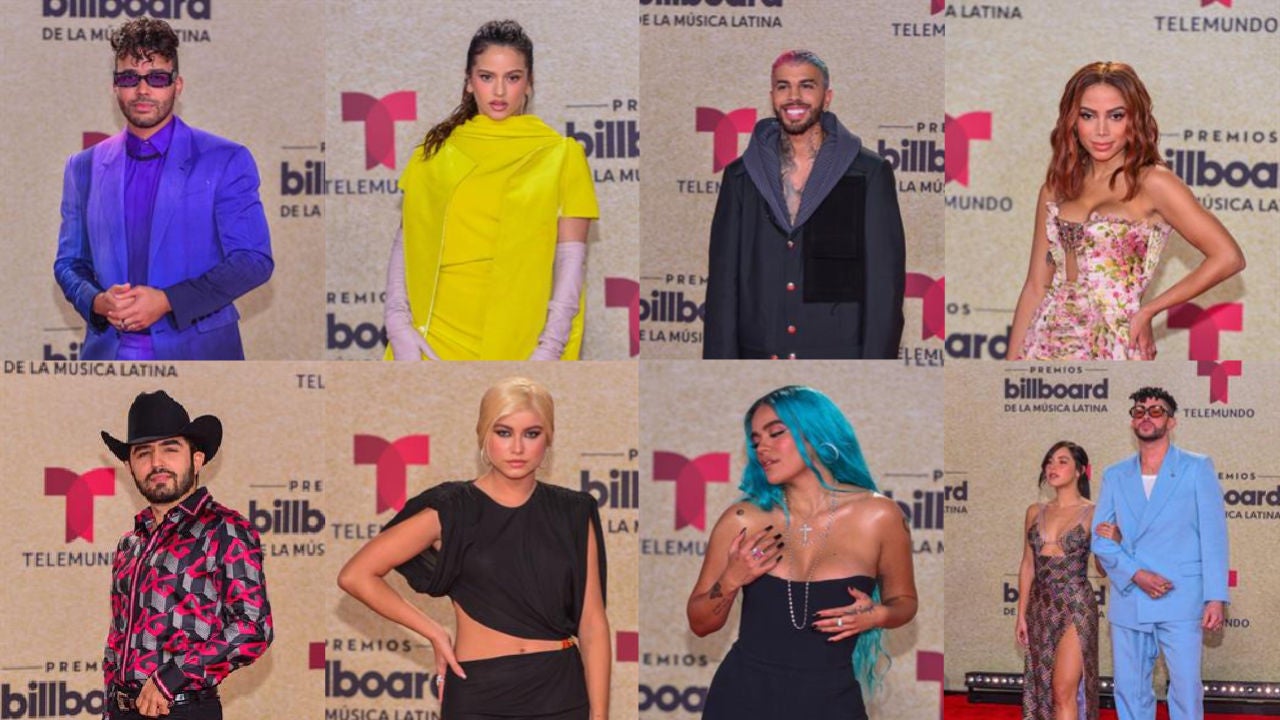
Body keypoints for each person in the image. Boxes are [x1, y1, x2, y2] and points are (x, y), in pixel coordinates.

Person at [338, 378, 610, 719]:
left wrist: (600, 715)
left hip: (560, 691)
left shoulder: (573, 511)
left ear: (549, 438)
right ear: (484, 434)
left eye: (531, 433)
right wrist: (434, 632)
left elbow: (592, 624)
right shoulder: (453, 508)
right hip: (479, 694)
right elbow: (356, 575)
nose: (517, 447)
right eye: (504, 432)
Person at [687, 386, 917, 719]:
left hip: (832, 702)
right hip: (741, 699)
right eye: (755, 440)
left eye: (776, 433)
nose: (761, 448)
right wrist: (732, 578)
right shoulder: (743, 519)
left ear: (817, 433)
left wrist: (877, 616)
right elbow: (700, 623)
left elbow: (904, 601)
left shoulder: (880, 516)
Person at [53, 18, 273, 361]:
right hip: (107, 358)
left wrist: (168, 301)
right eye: (129, 78)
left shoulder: (225, 159)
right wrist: (97, 301)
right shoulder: (82, 167)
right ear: (115, 86)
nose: (143, 90)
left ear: (177, 84)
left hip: (200, 355)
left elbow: (253, 260)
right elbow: (69, 263)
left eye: (156, 78)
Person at [384, 20, 598, 361]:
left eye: (512, 78)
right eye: (487, 77)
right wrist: (397, 323)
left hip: (517, 337)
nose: (499, 91)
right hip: (431, 335)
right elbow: (407, 240)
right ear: (469, 81)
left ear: (529, 83)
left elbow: (570, 262)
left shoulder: (560, 155)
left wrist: (550, 348)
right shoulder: (435, 150)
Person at [1007, 62, 1244, 360]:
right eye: (1088, 115)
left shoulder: (1154, 182)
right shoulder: (1057, 188)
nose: (1101, 130)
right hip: (1044, 342)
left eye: (1116, 116)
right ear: (1071, 120)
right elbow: (1035, 286)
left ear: (1135, 119)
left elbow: (1228, 257)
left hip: (1113, 345)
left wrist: (1148, 310)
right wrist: (1009, 372)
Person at [702, 50, 906, 360]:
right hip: (758, 357)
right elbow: (722, 287)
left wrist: (876, 368)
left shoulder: (867, 173)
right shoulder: (741, 176)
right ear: (772, 96)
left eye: (807, 85)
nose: (793, 96)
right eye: (783, 86)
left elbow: (884, 288)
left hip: (839, 360)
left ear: (827, 97)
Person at [100, 390, 273, 719]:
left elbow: (253, 627)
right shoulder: (130, 543)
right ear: (129, 466)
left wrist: (174, 676)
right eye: (143, 453)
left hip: (183, 709)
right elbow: (118, 638)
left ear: (196, 459)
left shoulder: (224, 528)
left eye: (170, 449)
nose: (156, 463)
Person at [1091, 387, 1229, 720]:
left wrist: (1215, 597)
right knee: (1130, 689)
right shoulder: (1114, 475)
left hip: (1180, 595)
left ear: (1171, 421)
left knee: (1185, 689)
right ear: (1132, 422)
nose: (1147, 417)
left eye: (1156, 411)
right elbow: (1101, 540)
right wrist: (1136, 574)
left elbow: (1213, 538)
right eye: (1139, 411)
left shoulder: (1196, 467)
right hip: (1130, 595)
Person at [1016, 441, 1114, 720]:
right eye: (1049, 461)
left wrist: (1112, 542)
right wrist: (1021, 614)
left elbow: (1102, 570)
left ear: (1080, 470)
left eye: (1062, 461)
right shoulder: (1034, 512)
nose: (1053, 467)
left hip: (1076, 606)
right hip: (1039, 607)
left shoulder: (1094, 512)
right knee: (1044, 689)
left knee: (1062, 691)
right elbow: (1027, 565)